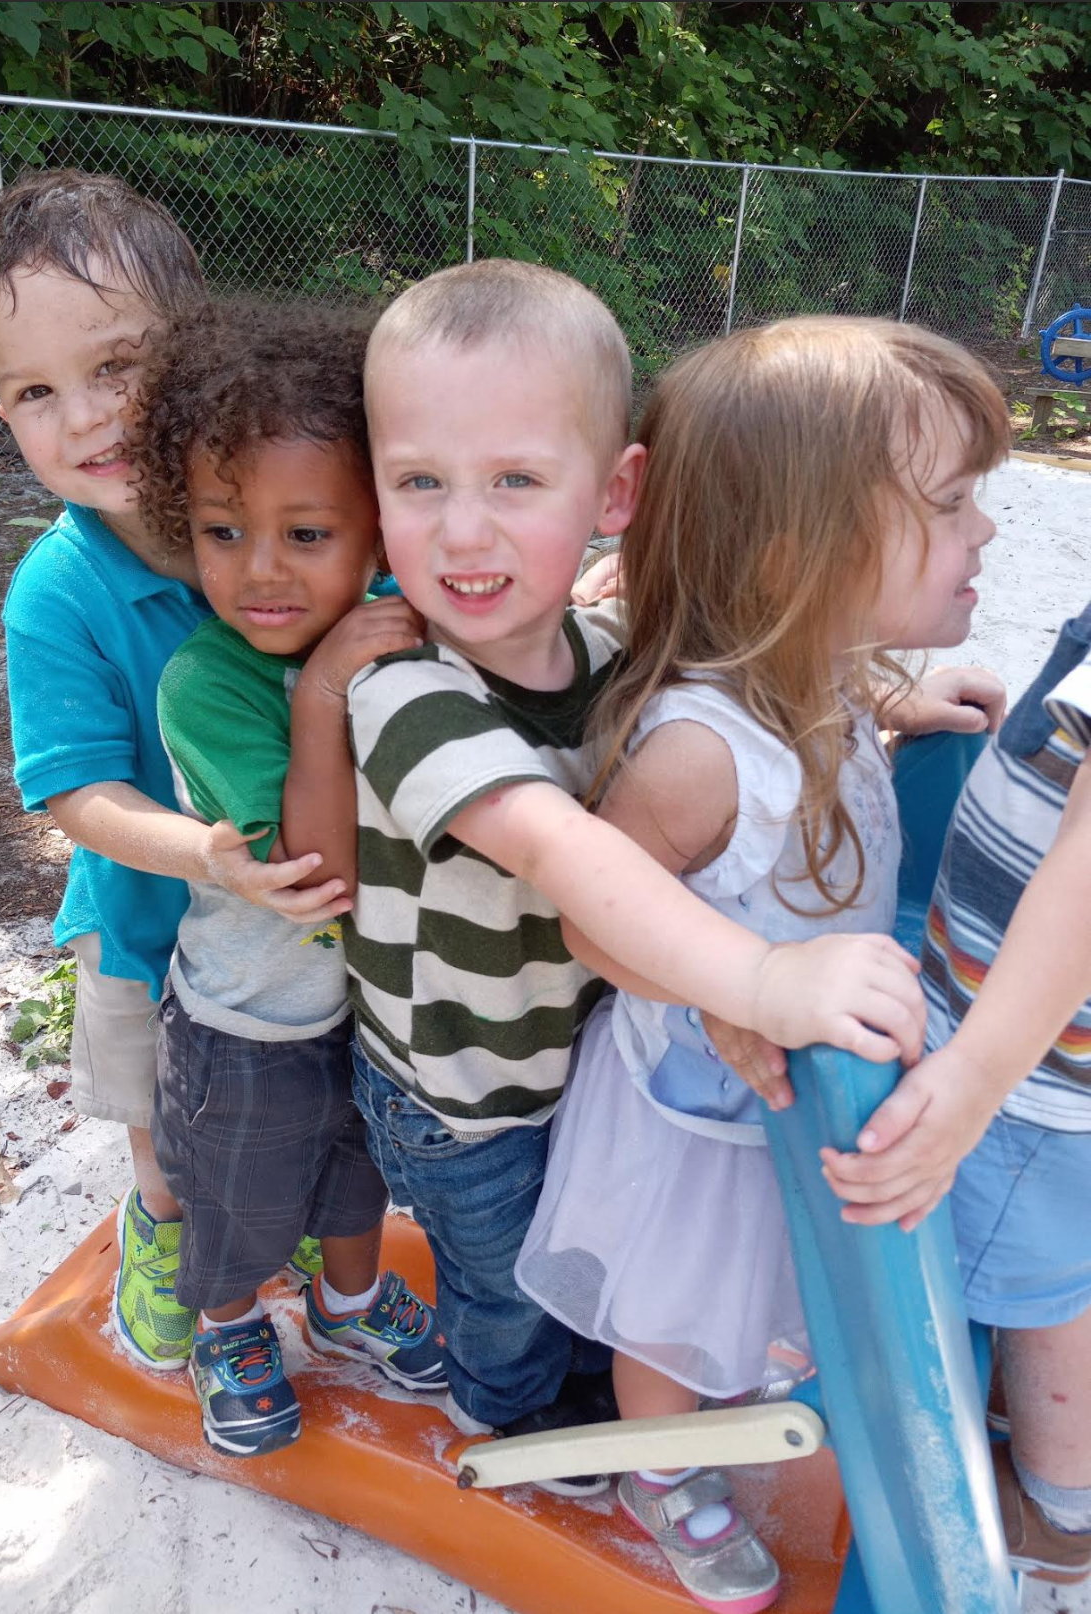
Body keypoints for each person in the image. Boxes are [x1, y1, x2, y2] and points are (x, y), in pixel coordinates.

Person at [290, 261, 932, 1499]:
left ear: (613, 493)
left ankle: (571, 1379)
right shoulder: (407, 693)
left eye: (515, 481)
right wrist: (759, 976)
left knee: (574, 1250)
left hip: (572, 1058)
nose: (462, 531)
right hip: (460, 1094)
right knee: (503, 1287)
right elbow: (557, 848)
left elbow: (739, 665)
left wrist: (884, 697)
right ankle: (510, 1421)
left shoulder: (600, 642)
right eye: (418, 482)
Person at [514, 315, 1010, 1610]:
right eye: (953, 504)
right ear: (803, 560)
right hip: (699, 1110)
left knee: (762, 1279)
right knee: (674, 1303)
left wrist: (901, 700)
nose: (987, 533)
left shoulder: (814, 668)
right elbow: (590, 914)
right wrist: (738, 981)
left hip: (787, 1097)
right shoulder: (700, 751)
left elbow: (825, 682)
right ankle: (660, 1465)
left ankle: (718, 1403)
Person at [0, 171, 346, 1374]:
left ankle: (292, 1227)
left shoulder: (290, 509)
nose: (83, 418)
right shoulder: (58, 591)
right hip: (144, 920)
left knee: (313, 1100)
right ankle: (165, 1237)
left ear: (197, 349)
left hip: (305, 927)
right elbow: (74, 793)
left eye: (115, 367)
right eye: (34, 392)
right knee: (164, 1127)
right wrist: (206, 856)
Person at [127, 297, 444, 1457]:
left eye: (305, 535)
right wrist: (318, 697)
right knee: (238, 1200)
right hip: (245, 1020)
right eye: (220, 531)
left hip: (363, 1011)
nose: (258, 570)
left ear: (374, 534)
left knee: (355, 1181)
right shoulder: (205, 684)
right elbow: (316, 867)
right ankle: (226, 1326)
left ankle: (348, 1306)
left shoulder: (385, 624)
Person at [821, 602, 1091, 1585]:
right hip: (1027, 1030)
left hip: (1031, 1066)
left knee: (1037, 1282)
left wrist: (977, 1072)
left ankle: (1060, 1503)